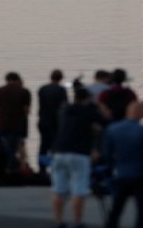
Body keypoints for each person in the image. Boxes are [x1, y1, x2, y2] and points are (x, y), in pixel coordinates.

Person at [50, 83, 107, 228]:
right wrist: (100, 107)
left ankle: (59, 221)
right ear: (88, 98)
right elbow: (107, 122)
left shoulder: (64, 110)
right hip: (79, 153)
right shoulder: (89, 111)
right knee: (79, 189)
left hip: (59, 151)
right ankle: (77, 221)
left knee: (58, 188)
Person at [103, 102, 143, 228]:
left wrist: (110, 168)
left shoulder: (113, 129)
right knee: (142, 210)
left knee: (117, 208)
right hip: (141, 173)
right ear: (140, 113)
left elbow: (107, 154)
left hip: (121, 173)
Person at [0, 72, 32, 170]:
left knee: (0, 147)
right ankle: (19, 169)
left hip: (0, 124)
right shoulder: (24, 91)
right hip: (16, 125)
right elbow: (26, 110)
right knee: (16, 147)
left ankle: (1, 169)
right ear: (17, 80)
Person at [38, 69, 69, 172]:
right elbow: (64, 106)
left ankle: (42, 168)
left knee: (43, 145)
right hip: (56, 122)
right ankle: (55, 168)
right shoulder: (61, 90)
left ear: (50, 77)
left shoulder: (42, 89)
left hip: (43, 120)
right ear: (60, 78)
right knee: (55, 146)